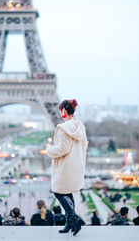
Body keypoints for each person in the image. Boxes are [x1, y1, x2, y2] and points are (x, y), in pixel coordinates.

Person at [46, 99, 88, 236]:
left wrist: (49, 149)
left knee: (58, 191)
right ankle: (69, 223)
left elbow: (62, 148)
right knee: (67, 191)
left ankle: (74, 219)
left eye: (60, 110)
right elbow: (84, 146)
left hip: (65, 166)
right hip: (75, 165)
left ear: (64, 111)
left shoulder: (63, 128)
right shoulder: (79, 127)